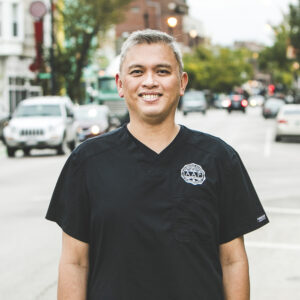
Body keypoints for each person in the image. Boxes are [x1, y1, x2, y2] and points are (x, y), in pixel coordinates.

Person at [46, 29, 269, 300]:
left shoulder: (218, 158)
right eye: (137, 72)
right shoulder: (86, 162)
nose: (149, 81)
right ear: (120, 83)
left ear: (182, 82)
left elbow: (232, 260)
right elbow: (75, 262)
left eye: (162, 71)